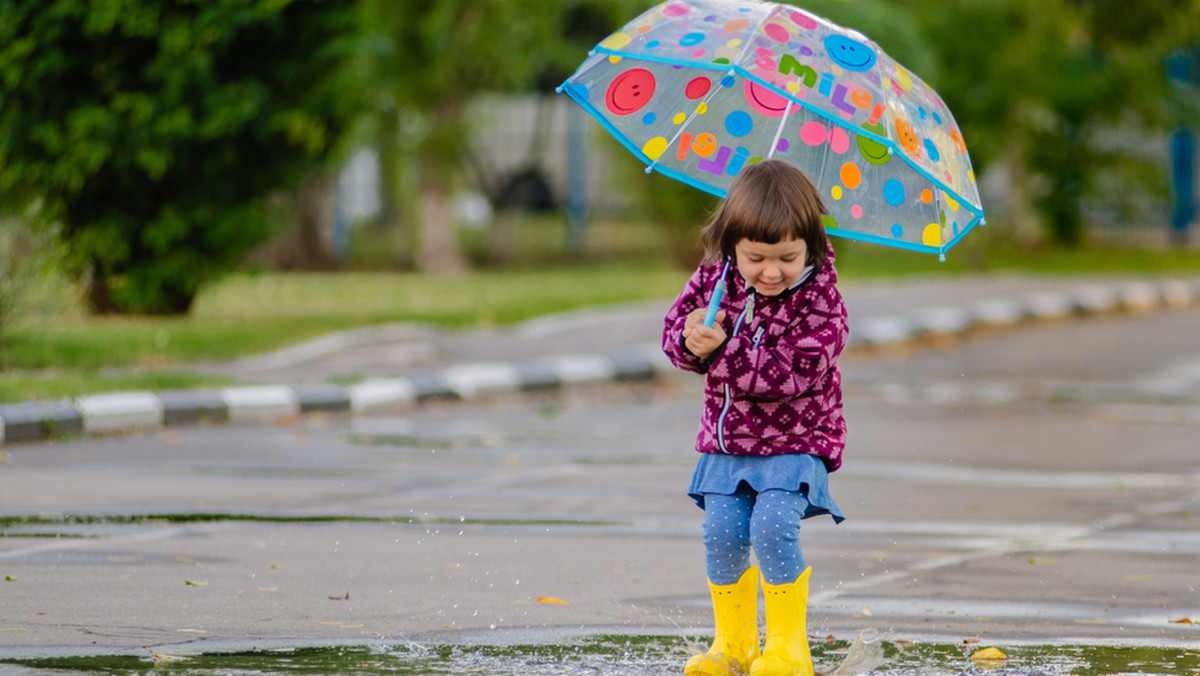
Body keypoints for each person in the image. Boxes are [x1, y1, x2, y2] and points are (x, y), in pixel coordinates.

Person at [661, 159, 848, 676]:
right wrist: (690, 338)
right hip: (729, 444)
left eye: (787, 257)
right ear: (730, 246)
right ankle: (734, 644)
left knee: (771, 526)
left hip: (795, 442)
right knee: (721, 531)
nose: (771, 271)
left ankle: (788, 647)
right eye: (755, 257)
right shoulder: (714, 279)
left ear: (809, 245)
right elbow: (675, 337)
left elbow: (790, 375)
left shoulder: (822, 302)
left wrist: (721, 351)